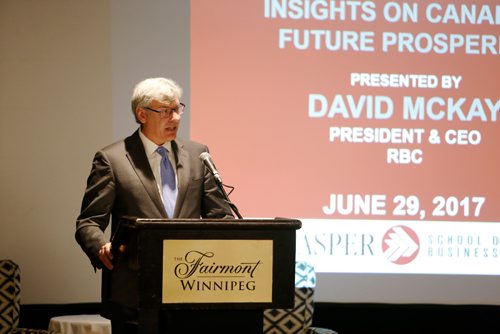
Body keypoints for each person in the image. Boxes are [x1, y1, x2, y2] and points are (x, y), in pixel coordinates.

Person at [75, 77, 234, 332]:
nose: (175, 118)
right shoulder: (112, 159)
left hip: (193, 291)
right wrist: (101, 247)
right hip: (135, 294)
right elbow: (88, 221)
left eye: (177, 109)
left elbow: (221, 215)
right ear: (142, 114)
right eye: (165, 112)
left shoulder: (198, 154)